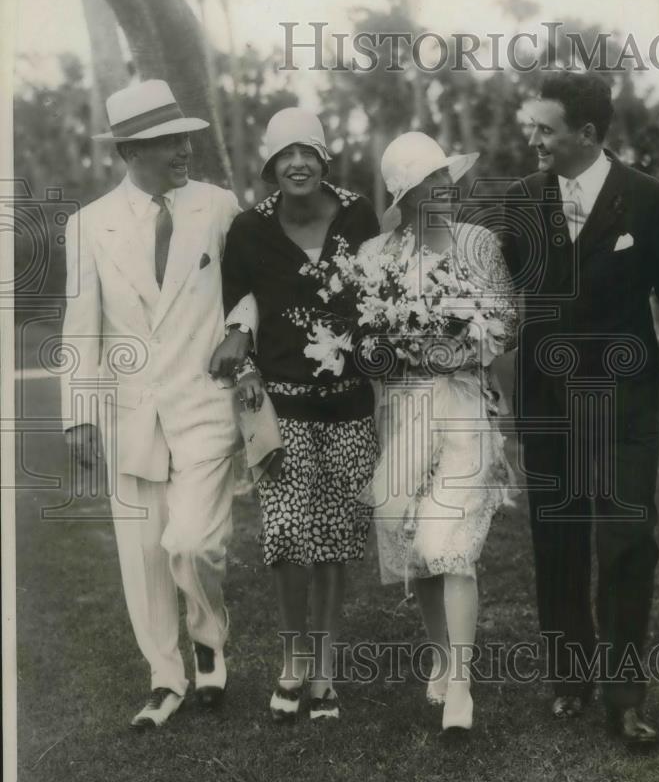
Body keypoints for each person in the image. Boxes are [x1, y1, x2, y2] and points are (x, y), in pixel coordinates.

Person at [506, 70, 659, 748]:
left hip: (623, 404)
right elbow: (487, 291)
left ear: (585, 134)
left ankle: (624, 697)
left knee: (628, 543)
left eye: (543, 129)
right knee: (558, 543)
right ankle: (569, 677)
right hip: (547, 405)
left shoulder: (647, 200)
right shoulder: (520, 201)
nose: (532, 139)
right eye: (530, 127)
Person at [61, 79, 257, 728]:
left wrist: (241, 329)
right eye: (168, 142)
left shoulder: (218, 206)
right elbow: (80, 326)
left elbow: (249, 287)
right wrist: (81, 414)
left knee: (194, 542)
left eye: (184, 138)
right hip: (131, 412)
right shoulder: (89, 225)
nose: (184, 150)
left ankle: (208, 636)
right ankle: (164, 678)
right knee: (144, 555)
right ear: (131, 150)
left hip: (206, 402)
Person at [217, 108, 380, 722]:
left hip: (350, 405)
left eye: (307, 151)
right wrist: (247, 372)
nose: (297, 163)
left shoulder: (360, 216)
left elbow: (380, 294)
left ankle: (327, 672)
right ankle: (292, 662)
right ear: (269, 168)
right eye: (285, 155)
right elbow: (236, 310)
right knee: (287, 536)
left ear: (324, 160)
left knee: (336, 538)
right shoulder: (249, 231)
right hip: (280, 408)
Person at [359, 132, 517, 733]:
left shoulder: (477, 243)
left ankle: (462, 686)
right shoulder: (377, 256)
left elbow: (507, 320)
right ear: (407, 195)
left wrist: (463, 344)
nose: (445, 189)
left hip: (463, 407)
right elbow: (367, 343)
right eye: (431, 183)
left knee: (449, 544)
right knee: (412, 544)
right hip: (402, 409)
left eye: (446, 178)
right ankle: (441, 654)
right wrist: (397, 346)